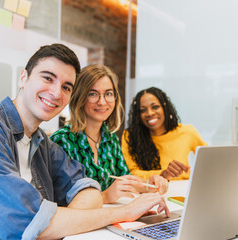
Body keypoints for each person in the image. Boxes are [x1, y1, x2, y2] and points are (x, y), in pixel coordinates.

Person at [0, 45, 169, 240]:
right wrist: (125, 212)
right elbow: (27, 224)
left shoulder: (41, 142)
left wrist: (59, 224)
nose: (57, 93)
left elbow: (88, 189)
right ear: (23, 77)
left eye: (66, 87)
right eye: (48, 78)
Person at [51, 65, 168, 204]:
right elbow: (58, 201)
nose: (102, 101)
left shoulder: (109, 137)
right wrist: (105, 196)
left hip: (110, 219)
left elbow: (124, 179)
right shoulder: (61, 141)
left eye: (108, 93)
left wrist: (150, 184)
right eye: (92, 94)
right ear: (80, 98)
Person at [122, 87, 207, 181]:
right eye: (143, 110)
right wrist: (163, 174)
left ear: (165, 108)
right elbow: (131, 173)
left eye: (155, 107)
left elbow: (209, 159)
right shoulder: (130, 136)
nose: (149, 113)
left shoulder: (187, 132)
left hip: (182, 190)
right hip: (148, 191)